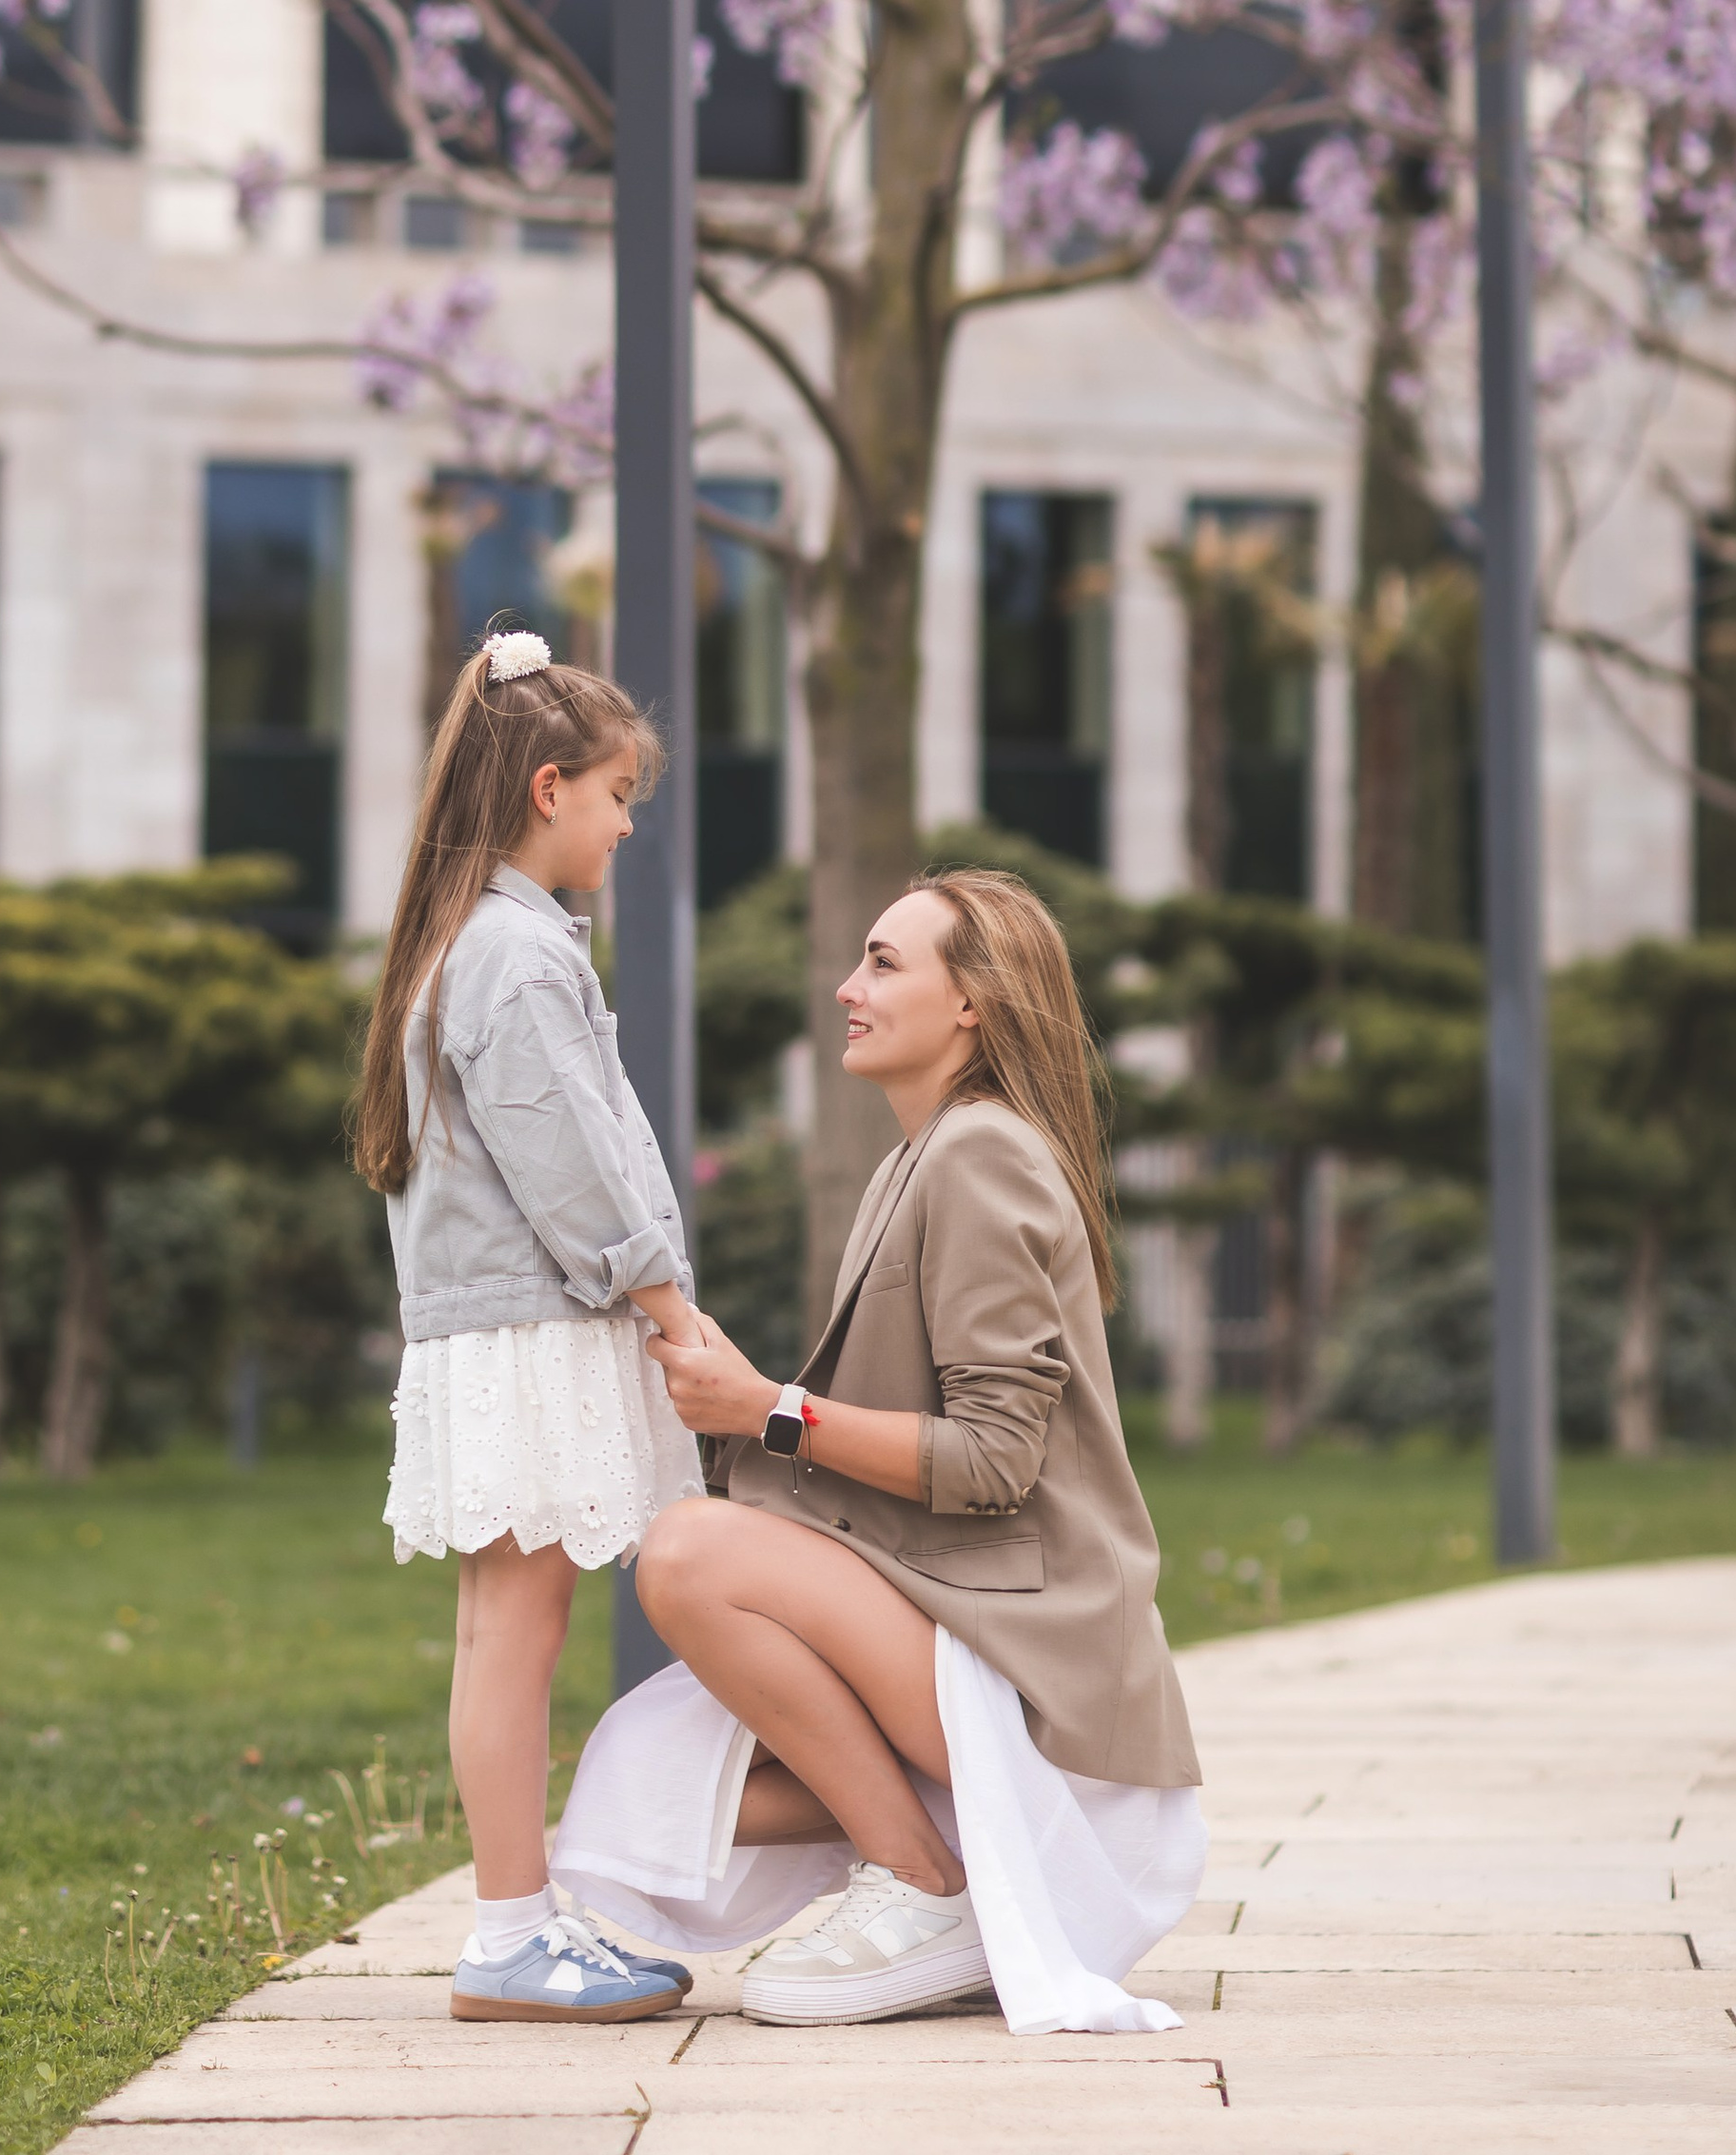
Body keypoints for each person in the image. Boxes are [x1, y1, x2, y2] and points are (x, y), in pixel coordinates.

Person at [554, 865, 1206, 2033]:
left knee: (691, 1554)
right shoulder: (918, 1158)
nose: (846, 988)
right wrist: (742, 1404)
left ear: (971, 1004)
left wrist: (771, 1409)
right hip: (969, 1639)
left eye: (884, 963)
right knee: (643, 1793)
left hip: (1043, 1678)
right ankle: (944, 1866)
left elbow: (993, 1461)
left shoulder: (981, 1154)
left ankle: (924, 1878)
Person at [351, 625, 706, 2027]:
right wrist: (672, 1310)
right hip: (527, 1329)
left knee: (502, 1625)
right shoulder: (513, 954)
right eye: (618, 796)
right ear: (549, 788)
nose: (625, 825)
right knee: (518, 1626)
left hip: (493, 1327)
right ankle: (510, 1930)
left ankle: (520, 1918)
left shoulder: (480, 940)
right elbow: (575, 1166)